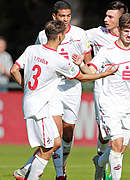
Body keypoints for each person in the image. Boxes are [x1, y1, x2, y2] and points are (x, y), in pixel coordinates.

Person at [10, 20, 117, 180]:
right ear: (60, 36)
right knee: (47, 148)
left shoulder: (32, 49)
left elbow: (14, 69)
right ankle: (30, 175)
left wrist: (26, 88)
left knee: (56, 142)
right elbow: (82, 77)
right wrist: (105, 74)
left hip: (32, 102)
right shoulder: (58, 60)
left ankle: (28, 171)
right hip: (40, 108)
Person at [12, 1, 93, 179]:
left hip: (72, 88)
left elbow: (89, 62)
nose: (65, 19)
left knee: (68, 133)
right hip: (53, 88)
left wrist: (83, 63)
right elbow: (38, 56)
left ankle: (30, 167)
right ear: (54, 16)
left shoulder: (80, 34)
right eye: (62, 16)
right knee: (55, 136)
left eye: (68, 16)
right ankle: (59, 174)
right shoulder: (43, 35)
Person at [80, 13, 130, 180]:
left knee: (121, 148)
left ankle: (99, 162)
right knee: (117, 144)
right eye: (126, 31)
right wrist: (80, 63)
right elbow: (91, 70)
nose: (129, 35)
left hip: (128, 106)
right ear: (120, 30)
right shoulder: (108, 51)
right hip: (108, 103)